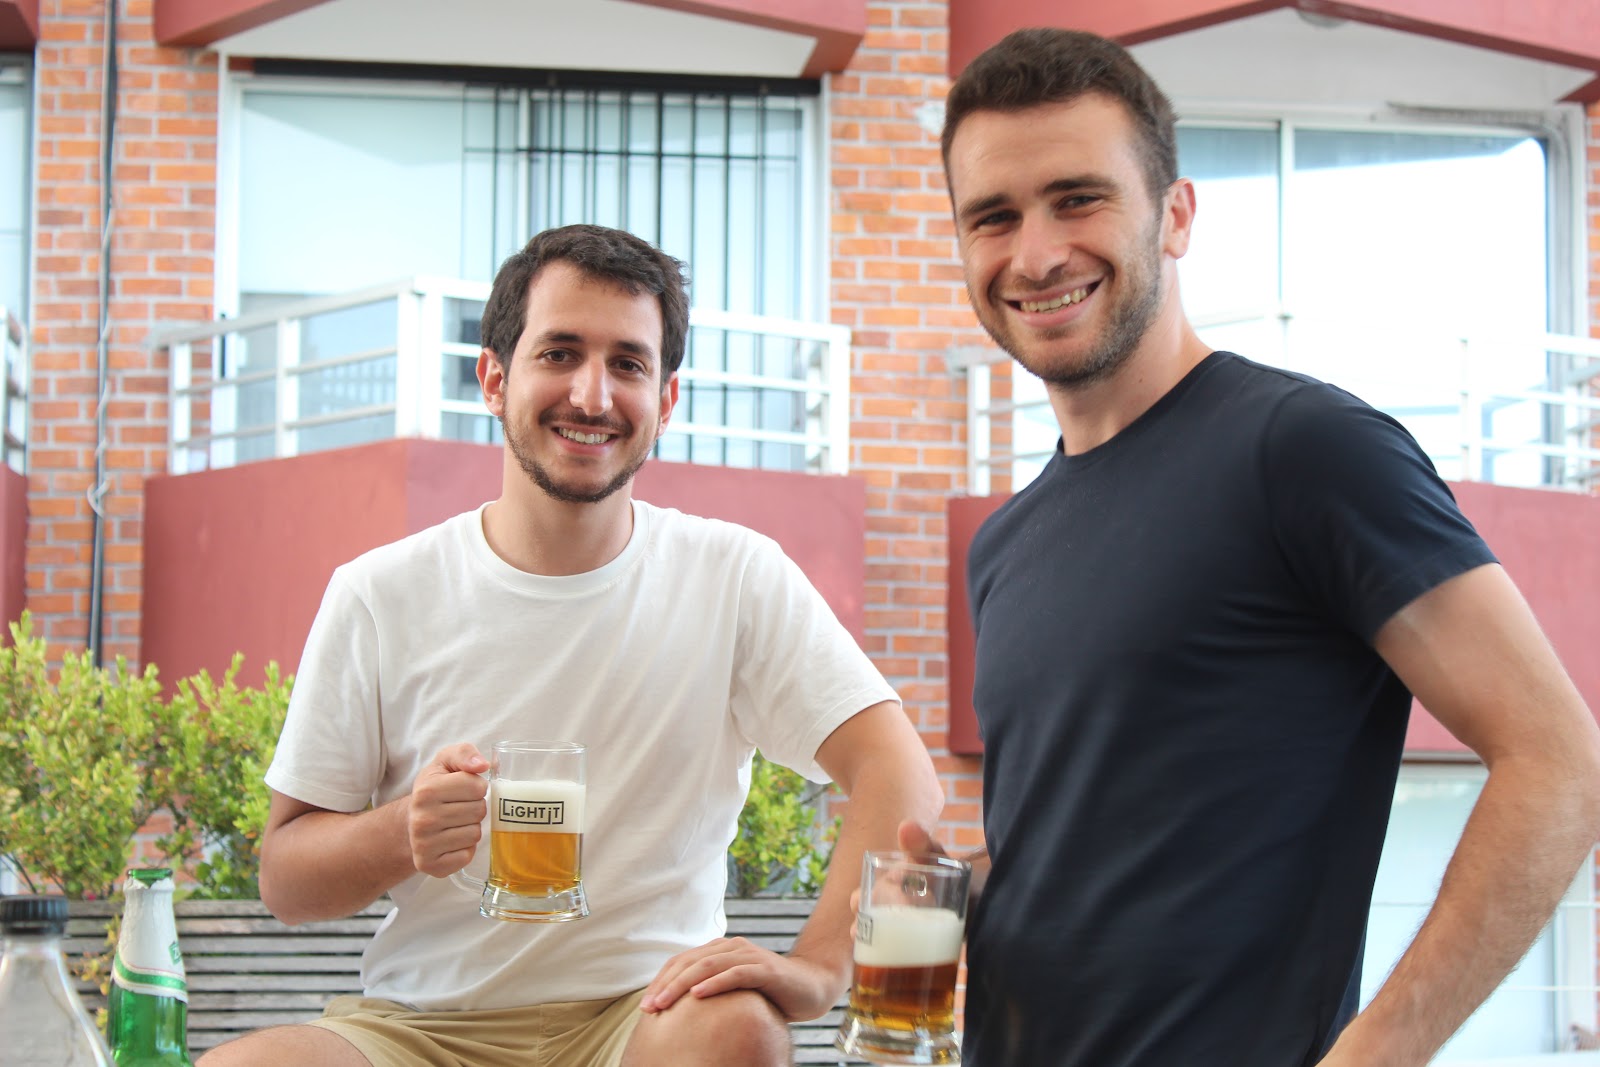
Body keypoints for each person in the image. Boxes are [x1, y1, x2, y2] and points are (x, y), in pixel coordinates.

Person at [907, 26, 1600, 1067]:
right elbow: (1096, 854)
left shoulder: (1303, 449)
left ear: (1174, 214)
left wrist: (1374, 1053)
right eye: (992, 217)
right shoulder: (1004, 541)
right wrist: (943, 893)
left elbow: (1559, 762)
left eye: (1079, 198)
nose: (1036, 252)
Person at [199, 223, 943, 1067]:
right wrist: (401, 831)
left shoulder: (733, 574)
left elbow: (901, 774)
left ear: (664, 401)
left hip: (644, 1019)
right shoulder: (379, 592)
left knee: (743, 1030)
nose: (592, 395)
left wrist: (817, 966)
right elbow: (284, 879)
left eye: (628, 363)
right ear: (493, 377)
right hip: (419, 1032)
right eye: (558, 353)